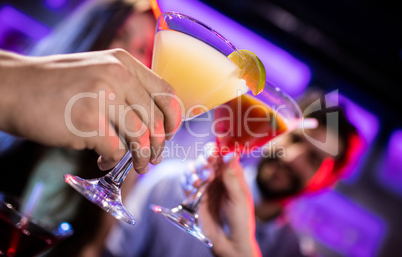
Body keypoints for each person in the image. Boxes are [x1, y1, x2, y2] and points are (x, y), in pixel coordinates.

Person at [0, 0, 182, 256]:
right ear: (89, 31)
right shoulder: (24, 101)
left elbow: (90, 248)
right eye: (120, 34)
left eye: (145, 50)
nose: (128, 55)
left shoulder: (121, 156)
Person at [103, 88, 361, 257]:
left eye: (314, 158)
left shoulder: (295, 253)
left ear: (327, 182)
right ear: (275, 132)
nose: (292, 158)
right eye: (294, 139)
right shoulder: (171, 183)